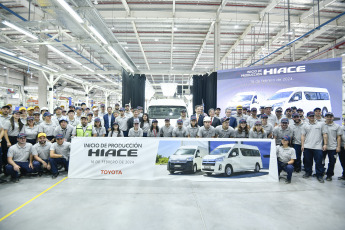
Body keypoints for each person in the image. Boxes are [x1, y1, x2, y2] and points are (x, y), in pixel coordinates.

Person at [301, 111, 328, 183]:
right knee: (307, 161)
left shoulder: (321, 124)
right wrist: (303, 145)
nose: (312, 117)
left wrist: (325, 144)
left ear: (315, 116)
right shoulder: (305, 125)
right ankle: (308, 173)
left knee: (319, 162)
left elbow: (324, 134)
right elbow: (303, 135)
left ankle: (319, 175)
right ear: (307, 117)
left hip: (318, 147)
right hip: (307, 146)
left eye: (313, 116)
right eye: (310, 116)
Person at [322, 112, 342, 181]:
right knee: (321, 161)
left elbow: (338, 137)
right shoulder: (322, 125)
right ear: (325, 117)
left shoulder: (337, 126)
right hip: (323, 147)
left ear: (333, 117)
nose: (329, 118)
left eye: (330, 116)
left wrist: (338, 146)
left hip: (333, 147)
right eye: (327, 116)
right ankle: (321, 172)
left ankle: (329, 175)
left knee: (332, 162)